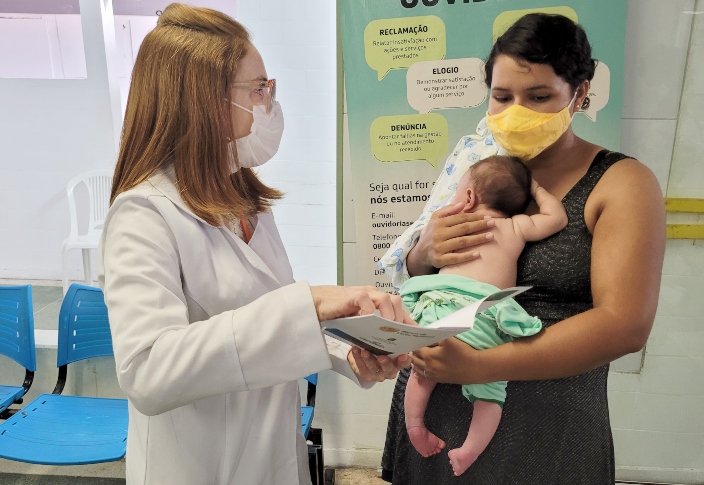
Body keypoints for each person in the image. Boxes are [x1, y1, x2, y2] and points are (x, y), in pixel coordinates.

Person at [98, 5, 411, 485]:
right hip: (199, 467)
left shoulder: (243, 196)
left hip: (271, 456)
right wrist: (309, 302)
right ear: (203, 101)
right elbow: (147, 372)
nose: (270, 103)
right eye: (259, 89)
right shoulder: (144, 214)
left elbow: (265, 324)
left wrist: (347, 348)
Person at [380, 13, 666, 484]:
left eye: (538, 97)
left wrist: (478, 365)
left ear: (580, 94)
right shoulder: (473, 164)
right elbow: (416, 270)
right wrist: (425, 250)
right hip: (432, 416)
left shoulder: (621, 184)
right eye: (502, 96)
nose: (516, 111)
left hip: (545, 431)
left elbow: (625, 326)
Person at [402, 155, 567, 476]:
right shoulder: (516, 226)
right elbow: (556, 218)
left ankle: (415, 428)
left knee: (422, 372)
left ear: (468, 197)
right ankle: (469, 451)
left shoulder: (453, 225)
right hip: (487, 317)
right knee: (490, 392)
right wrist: (535, 189)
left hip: (443, 307)